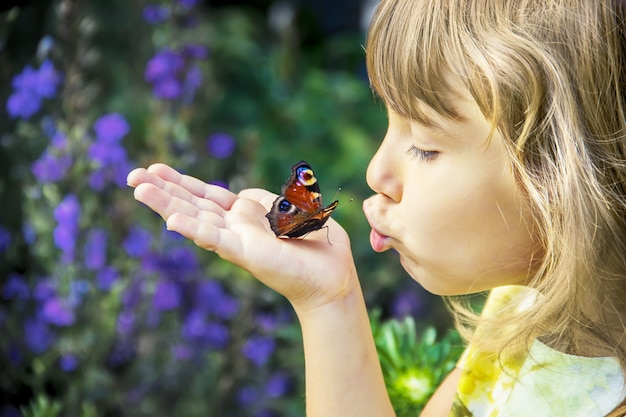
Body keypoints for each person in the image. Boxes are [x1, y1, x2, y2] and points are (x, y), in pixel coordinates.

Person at [126, 0, 626, 415]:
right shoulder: (522, 313)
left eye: (426, 146)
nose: (376, 173)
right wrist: (328, 301)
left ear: (564, 178)